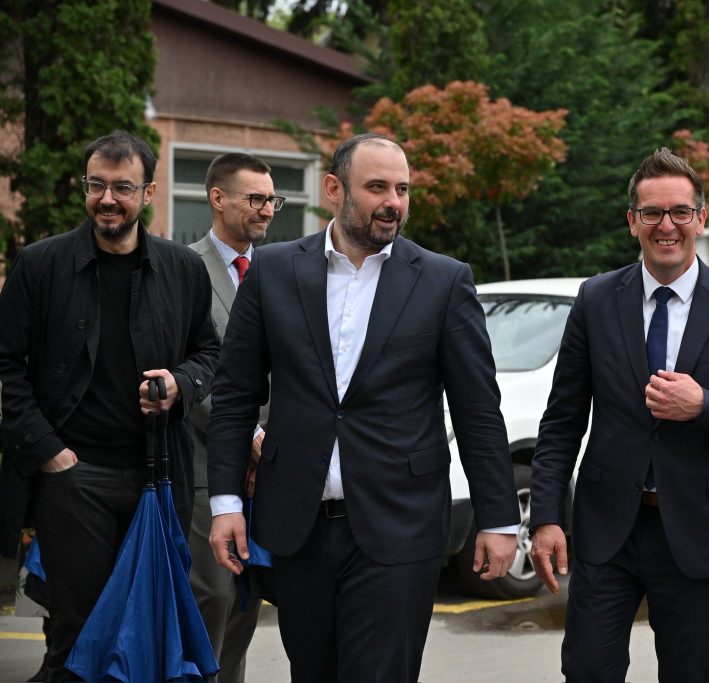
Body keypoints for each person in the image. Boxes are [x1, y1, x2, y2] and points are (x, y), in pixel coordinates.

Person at [205, 133, 521, 682]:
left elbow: (477, 410)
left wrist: (498, 518)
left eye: (402, 189)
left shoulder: (444, 281)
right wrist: (226, 502)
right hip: (298, 527)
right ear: (334, 189)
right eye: (377, 187)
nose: (393, 202)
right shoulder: (274, 270)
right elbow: (235, 395)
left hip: (400, 526)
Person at [529, 147, 709, 682]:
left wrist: (704, 405)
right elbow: (561, 422)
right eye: (651, 213)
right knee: (586, 670)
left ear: (701, 217)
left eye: (679, 212)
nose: (666, 225)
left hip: (700, 531)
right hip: (608, 529)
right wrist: (546, 517)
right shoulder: (596, 299)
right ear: (633, 221)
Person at [0, 130, 220, 682]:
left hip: (159, 477)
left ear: (148, 193)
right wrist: (49, 451)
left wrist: (180, 384)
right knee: (77, 637)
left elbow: (210, 353)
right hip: (74, 479)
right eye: (96, 185)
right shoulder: (41, 264)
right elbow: (6, 365)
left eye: (122, 187)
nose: (107, 199)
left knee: (150, 633)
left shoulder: (182, 268)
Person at [187, 152, 281, 682]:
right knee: (213, 596)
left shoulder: (279, 270)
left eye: (272, 200)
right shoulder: (185, 270)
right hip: (207, 465)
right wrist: (250, 434)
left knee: (249, 599)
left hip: (270, 470)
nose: (266, 209)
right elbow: (188, 371)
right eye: (256, 198)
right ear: (218, 198)